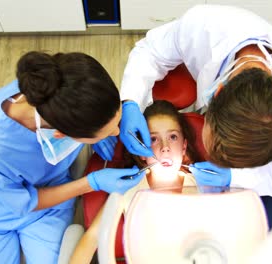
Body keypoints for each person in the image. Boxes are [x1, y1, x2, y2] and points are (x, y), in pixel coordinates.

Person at [117, 5, 272, 228]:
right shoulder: (205, 26)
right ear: (218, 91)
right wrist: (130, 101)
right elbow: (150, 52)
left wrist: (235, 178)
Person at [0, 51, 145, 264]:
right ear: (61, 135)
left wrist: (111, 122)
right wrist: (91, 183)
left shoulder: (54, 94)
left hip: (49, 205)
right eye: (110, 129)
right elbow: (24, 201)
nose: (117, 132)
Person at [66, 100, 200, 264]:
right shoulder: (129, 187)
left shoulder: (201, 188)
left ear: (184, 147)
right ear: (141, 151)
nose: (165, 147)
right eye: (153, 139)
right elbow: (93, 237)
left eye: (172, 137)